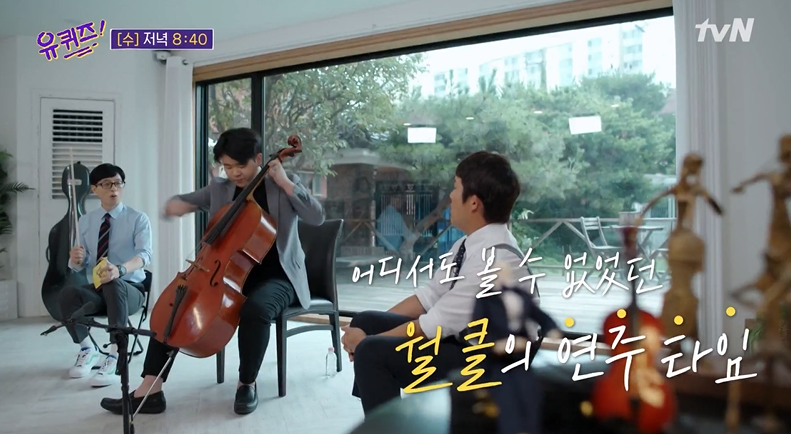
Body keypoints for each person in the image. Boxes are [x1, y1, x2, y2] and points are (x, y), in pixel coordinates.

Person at [100, 127, 324, 416]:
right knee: (176, 302)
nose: (234, 173)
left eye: (240, 166)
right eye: (227, 167)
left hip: (277, 276)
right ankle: (150, 390)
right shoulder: (220, 188)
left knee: (256, 310)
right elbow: (188, 200)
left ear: (258, 159)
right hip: (227, 274)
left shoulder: (283, 183)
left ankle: (246, 383)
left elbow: (316, 217)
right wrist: (177, 205)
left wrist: (284, 182)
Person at [341, 151, 538, 415]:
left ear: (474, 203)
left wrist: (366, 342)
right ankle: (380, 404)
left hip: (491, 362)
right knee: (366, 321)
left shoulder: (494, 258)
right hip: (468, 341)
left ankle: (384, 420)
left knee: (372, 351)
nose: (451, 197)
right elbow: (429, 296)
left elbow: (433, 324)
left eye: (455, 188)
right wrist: (366, 333)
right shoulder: (467, 244)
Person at [59, 163, 152, 388]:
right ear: (94, 189)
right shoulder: (86, 221)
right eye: (107, 184)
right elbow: (80, 264)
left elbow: (145, 255)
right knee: (68, 294)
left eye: (118, 183)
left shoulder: (138, 219)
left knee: (113, 283)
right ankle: (87, 349)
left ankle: (115, 354)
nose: (114, 188)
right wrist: (76, 259)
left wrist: (120, 269)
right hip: (100, 289)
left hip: (130, 290)